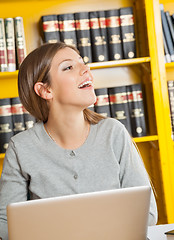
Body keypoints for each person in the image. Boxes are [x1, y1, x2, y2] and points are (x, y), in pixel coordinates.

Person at [0, 42, 157, 240]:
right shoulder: (21, 148)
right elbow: (6, 227)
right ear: (45, 90)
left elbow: (147, 214)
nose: (86, 70)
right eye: (69, 67)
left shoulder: (114, 132)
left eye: (83, 63)